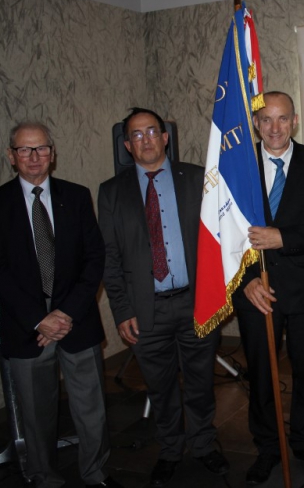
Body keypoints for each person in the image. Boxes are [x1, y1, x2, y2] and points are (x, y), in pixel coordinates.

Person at [0, 122, 120, 488]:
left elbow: (94, 259)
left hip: (77, 321)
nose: (33, 157)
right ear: (12, 156)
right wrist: (39, 319)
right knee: (36, 414)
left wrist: (65, 313)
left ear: (52, 154)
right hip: (28, 328)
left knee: (91, 410)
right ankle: (44, 478)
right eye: (24, 150)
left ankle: (95, 473)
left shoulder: (76, 196)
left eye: (40, 148)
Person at [98, 108, 228, 486]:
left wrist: (218, 295)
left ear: (165, 136)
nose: (146, 140)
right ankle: (171, 450)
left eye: (152, 131)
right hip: (145, 309)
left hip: (195, 303)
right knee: (161, 387)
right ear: (127, 145)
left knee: (201, 381)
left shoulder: (197, 179)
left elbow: (217, 241)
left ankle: (204, 445)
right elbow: (109, 255)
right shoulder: (111, 191)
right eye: (136, 135)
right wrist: (121, 310)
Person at [231, 91, 304, 484]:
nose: (274, 128)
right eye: (266, 120)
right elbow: (223, 234)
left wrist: (282, 238)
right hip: (254, 289)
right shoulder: (236, 167)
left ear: (294, 121)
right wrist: (245, 282)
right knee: (261, 373)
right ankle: (268, 447)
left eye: (282, 119)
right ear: (256, 124)